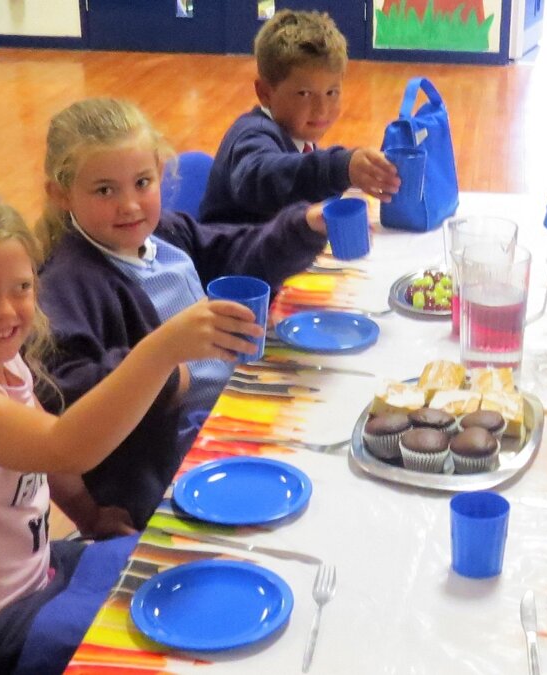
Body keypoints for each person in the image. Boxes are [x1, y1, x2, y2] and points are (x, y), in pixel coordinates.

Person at [0, 191, 259, 674]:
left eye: (20, 287)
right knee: (175, 634)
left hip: (36, 579)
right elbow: (64, 446)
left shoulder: (1, 364)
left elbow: (46, 462)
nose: (5, 311)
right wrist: (160, 350)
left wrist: (90, 515)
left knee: (192, 560)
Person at [36, 97, 329, 535]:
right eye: (104, 190)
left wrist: (304, 224)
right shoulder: (68, 282)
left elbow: (240, 252)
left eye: (142, 182)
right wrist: (166, 371)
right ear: (61, 194)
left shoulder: (166, 235)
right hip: (171, 464)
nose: (130, 205)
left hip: (232, 409)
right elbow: (63, 396)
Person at [199, 9, 400, 224]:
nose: (322, 109)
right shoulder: (250, 135)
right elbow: (265, 179)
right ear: (265, 93)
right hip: (232, 255)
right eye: (304, 94)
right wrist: (340, 168)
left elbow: (302, 181)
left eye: (332, 92)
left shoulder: (300, 138)